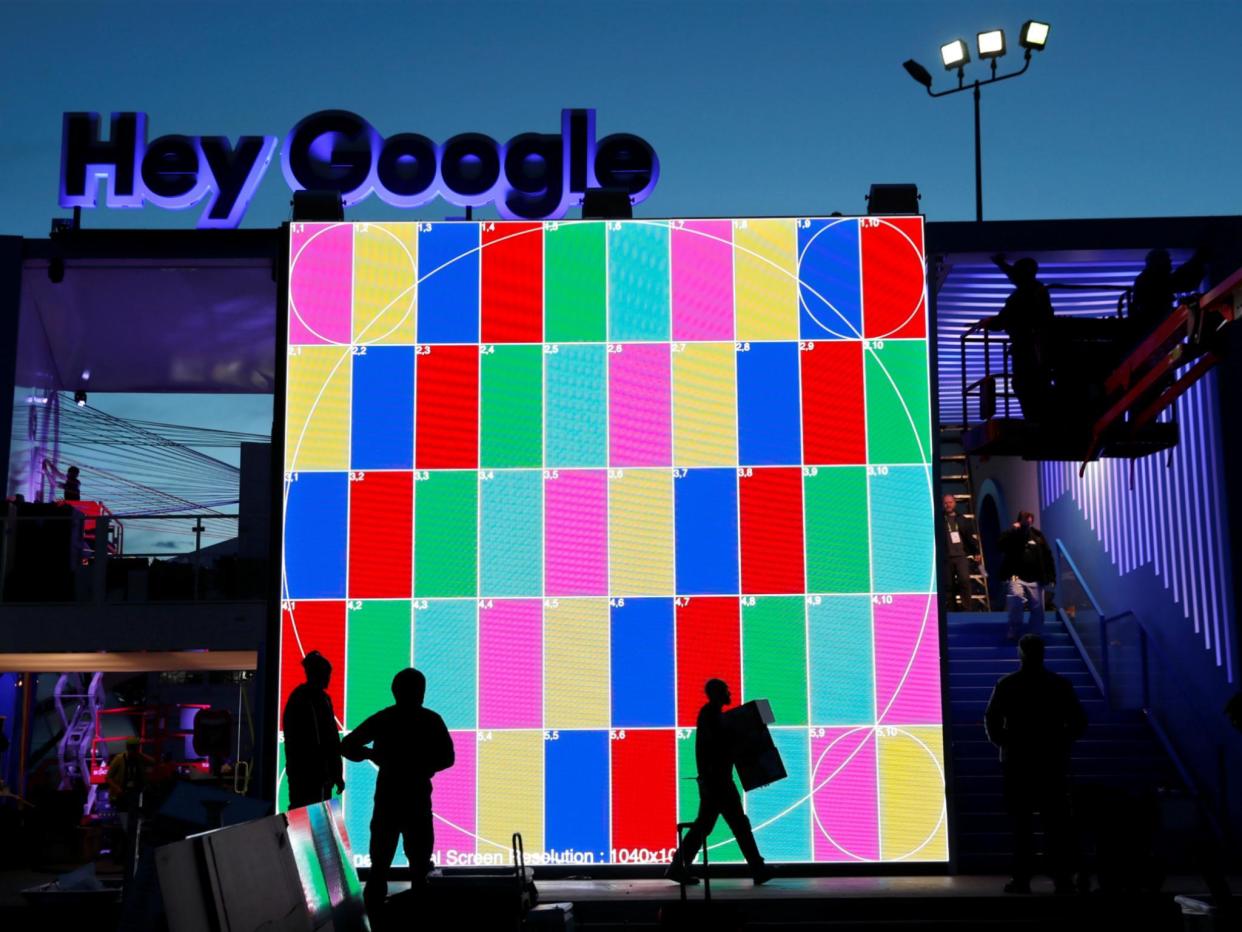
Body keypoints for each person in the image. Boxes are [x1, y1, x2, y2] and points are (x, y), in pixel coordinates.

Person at [341, 668, 454, 909]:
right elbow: (447, 757)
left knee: (379, 869)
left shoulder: (385, 718)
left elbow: (348, 745)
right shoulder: (430, 720)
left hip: (389, 798)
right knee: (418, 869)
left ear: (395, 692)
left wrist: (374, 755)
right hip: (416, 798)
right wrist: (422, 766)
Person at [985, 634, 1086, 894]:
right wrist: (1062, 741)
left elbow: (992, 719)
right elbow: (1078, 721)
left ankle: (1022, 879)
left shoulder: (1007, 684)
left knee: (1021, 826)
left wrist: (1005, 743)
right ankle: (1062, 878)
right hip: (1051, 762)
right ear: (1043, 653)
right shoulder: (1060, 685)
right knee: (1056, 825)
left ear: (1021, 653)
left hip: (1018, 763)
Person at [666, 679, 774, 886]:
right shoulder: (712, 717)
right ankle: (758, 869)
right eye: (726, 690)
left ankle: (677, 867)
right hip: (719, 783)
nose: (729, 692)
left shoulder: (711, 716)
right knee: (737, 825)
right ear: (717, 694)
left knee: (706, 826)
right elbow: (726, 746)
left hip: (715, 782)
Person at [983, 254, 1056, 422]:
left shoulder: (1022, 296)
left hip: (1026, 350)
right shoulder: (1039, 290)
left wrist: (989, 322)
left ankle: (1035, 422)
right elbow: (1015, 276)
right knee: (1037, 386)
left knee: (1024, 386)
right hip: (1040, 352)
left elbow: (1003, 320)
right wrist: (1001, 263)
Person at [282, 650, 344, 808]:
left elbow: (331, 738)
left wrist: (336, 773)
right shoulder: (304, 699)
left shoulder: (319, 699)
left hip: (317, 776)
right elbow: (328, 739)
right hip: (307, 776)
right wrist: (334, 772)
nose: (329, 679)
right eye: (326, 674)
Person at [1128, 247, 1208, 345]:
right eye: (1167, 261)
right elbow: (1177, 281)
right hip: (1154, 334)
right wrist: (1196, 261)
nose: (1170, 263)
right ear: (1158, 263)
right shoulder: (1150, 280)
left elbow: (1178, 281)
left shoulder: (1151, 279)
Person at [997, 511, 1055, 642]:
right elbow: (1000, 545)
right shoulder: (1012, 534)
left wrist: (1051, 577)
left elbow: (1047, 557)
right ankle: (1014, 629)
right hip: (1015, 576)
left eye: (1029, 520)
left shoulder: (1038, 536)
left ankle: (1034, 635)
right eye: (1024, 520)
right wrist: (1012, 530)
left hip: (1035, 578)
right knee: (1015, 598)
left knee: (1038, 609)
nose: (1027, 523)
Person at [942, 494, 981, 611]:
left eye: (950, 502)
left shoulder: (962, 519)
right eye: (945, 503)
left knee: (964, 580)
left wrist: (976, 552)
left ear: (954, 503)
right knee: (948, 585)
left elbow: (970, 538)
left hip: (961, 556)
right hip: (946, 557)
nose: (948, 505)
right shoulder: (939, 520)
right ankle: (952, 610)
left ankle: (966, 609)